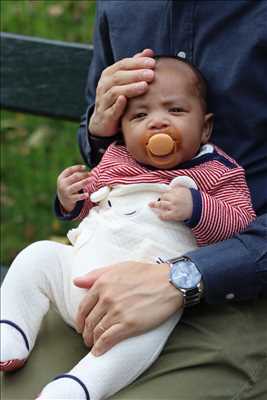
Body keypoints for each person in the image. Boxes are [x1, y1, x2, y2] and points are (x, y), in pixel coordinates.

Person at [0, 56, 256, 400]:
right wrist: (70, 199)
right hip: (79, 278)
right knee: (38, 256)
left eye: (176, 111)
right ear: (122, 129)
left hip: (146, 296)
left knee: (145, 333)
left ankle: (80, 387)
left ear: (205, 127)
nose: (157, 124)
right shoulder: (118, 158)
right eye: (140, 116)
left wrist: (198, 208)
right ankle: (11, 333)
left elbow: (241, 223)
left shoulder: (217, 170)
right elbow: (88, 204)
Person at [74, 1, 267, 399]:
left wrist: (184, 277)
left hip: (244, 290)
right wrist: (100, 127)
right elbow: (102, 147)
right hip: (112, 268)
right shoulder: (121, 8)